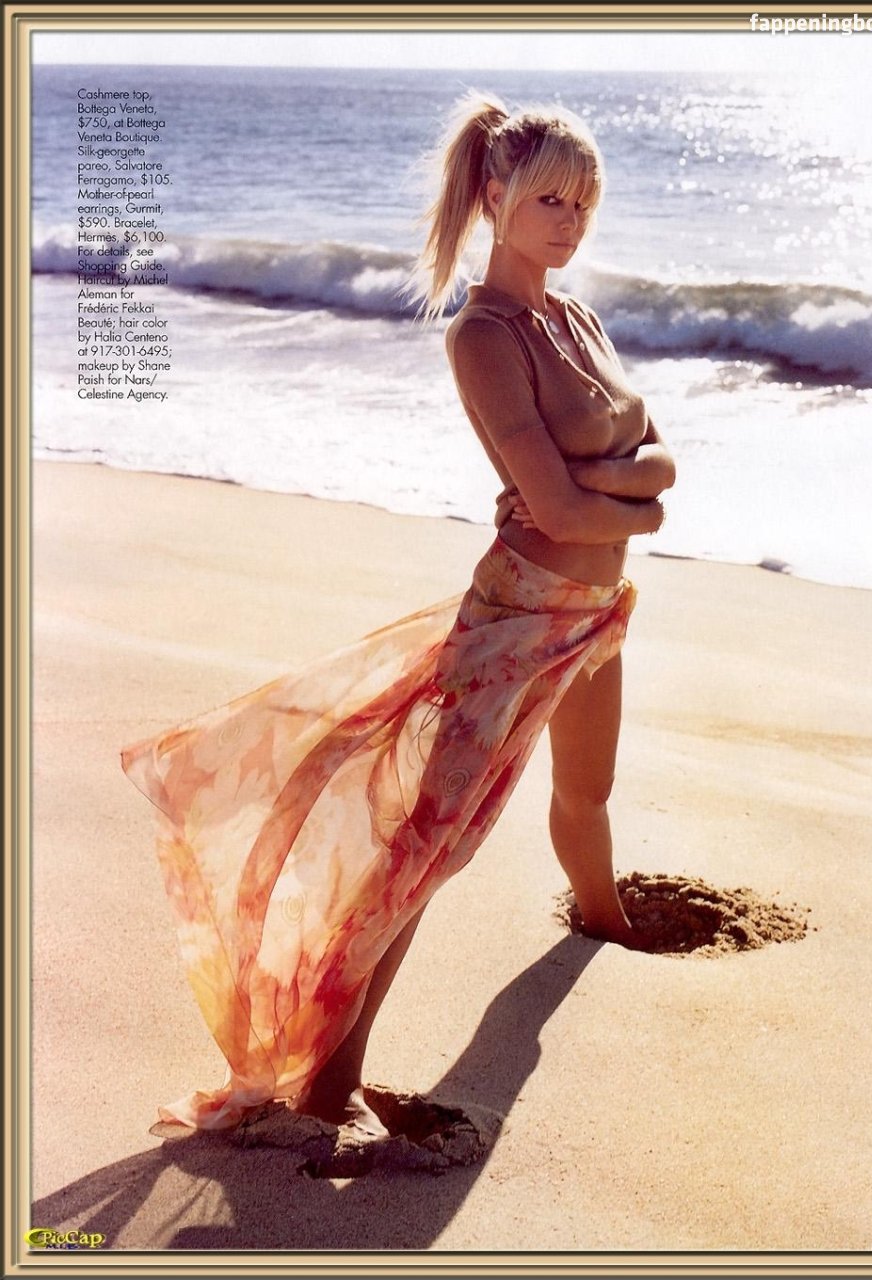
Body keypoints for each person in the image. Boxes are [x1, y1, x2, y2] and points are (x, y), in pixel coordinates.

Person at [120, 90, 675, 1141]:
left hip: (597, 608)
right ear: (494, 196)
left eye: (583, 203)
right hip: (518, 615)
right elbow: (560, 509)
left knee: (587, 789)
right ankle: (328, 1082)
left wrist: (623, 493)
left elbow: (659, 460)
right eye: (549, 200)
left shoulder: (578, 319)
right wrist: (623, 496)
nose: (569, 221)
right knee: (428, 848)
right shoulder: (486, 334)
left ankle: (607, 922)